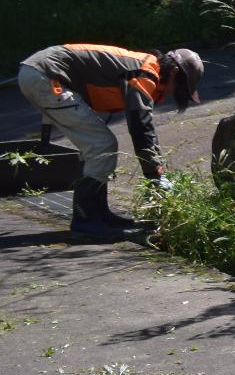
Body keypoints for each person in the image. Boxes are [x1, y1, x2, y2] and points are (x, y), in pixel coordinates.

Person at [15, 43, 204, 239]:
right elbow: (141, 127)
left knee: (99, 146)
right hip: (46, 75)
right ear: (173, 71)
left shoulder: (145, 67)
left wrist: (154, 173)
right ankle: (85, 221)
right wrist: (156, 175)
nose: (175, 93)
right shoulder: (145, 73)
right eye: (180, 86)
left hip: (40, 72)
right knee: (101, 145)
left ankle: (99, 215)